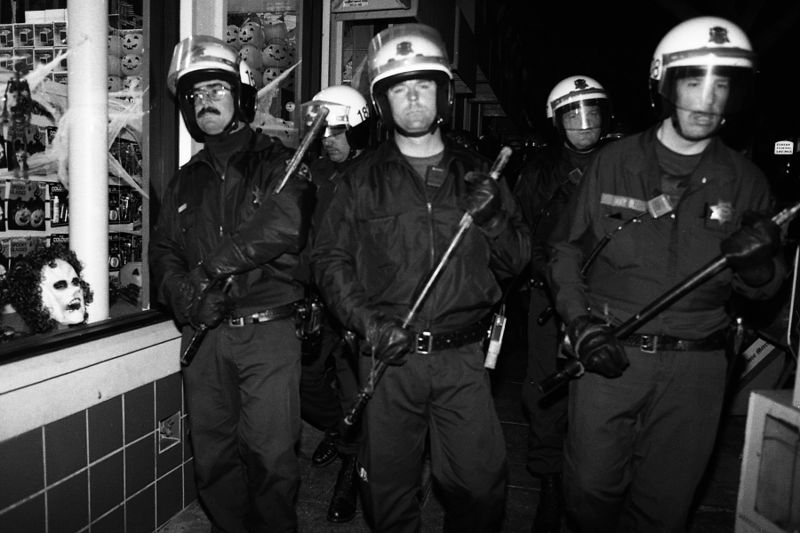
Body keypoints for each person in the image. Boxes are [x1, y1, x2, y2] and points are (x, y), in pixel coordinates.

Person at [546, 16, 786, 533]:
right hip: (610, 350)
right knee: (588, 492)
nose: (707, 99)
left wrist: (760, 266)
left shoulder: (746, 182)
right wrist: (578, 321)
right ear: (665, 84)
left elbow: (765, 289)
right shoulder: (613, 163)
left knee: (665, 506)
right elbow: (565, 250)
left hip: (696, 369)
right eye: (694, 82)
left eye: (721, 85)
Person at [311, 23, 530, 532]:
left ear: (443, 93)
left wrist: (496, 218)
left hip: (462, 362)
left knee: (480, 486)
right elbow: (329, 260)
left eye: (424, 86)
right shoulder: (359, 178)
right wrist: (368, 323)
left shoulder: (480, 174)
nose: (413, 100)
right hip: (388, 359)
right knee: (387, 493)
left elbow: (518, 260)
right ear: (383, 102)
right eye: (399, 89)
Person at [150, 35, 311, 532]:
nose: (203, 102)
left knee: (271, 456)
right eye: (194, 95)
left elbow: (282, 226)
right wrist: (184, 296)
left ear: (240, 96)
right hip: (206, 337)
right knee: (214, 458)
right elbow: (163, 252)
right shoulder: (185, 179)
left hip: (267, 335)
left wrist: (207, 272)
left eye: (215, 89)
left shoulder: (278, 163)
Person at [513, 74, 613, 533]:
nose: (585, 122)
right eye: (574, 114)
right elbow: (519, 236)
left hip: (609, 303)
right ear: (558, 121)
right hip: (550, 301)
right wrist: (547, 274)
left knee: (604, 394)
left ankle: (593, 483)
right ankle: (550, 482)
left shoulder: (622, 165)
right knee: (545, 393)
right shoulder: (538, 172)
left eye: (593, 111)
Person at [298, 84, 373, 523]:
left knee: (354, 387)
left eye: (337, 131)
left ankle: (352, 462)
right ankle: (340, 431)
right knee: (303, 379)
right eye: (322, 131)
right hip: (315, 298)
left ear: (359, 130)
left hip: (357, 300)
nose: (328, 139)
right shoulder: (315, 172)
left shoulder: (379, 173)